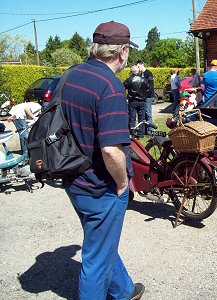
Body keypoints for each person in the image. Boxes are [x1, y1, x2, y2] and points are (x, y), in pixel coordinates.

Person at [59, 21, 145, 300]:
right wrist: (122, 183)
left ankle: (123, 290)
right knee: (95, 259)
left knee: (101, 243)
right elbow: (111, 150)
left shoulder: (72, 74)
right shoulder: (110, 86)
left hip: (73, 178)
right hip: (100, 187)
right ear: (122, 51)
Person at [123, 65, 150, 137]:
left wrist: (126, 96)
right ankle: (141, 134)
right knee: (142, 118)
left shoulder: (129, 80)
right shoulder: (144, 79)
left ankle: (132, 133)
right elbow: (148, 90)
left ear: (131, 71)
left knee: (132, 118)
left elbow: (122, 88)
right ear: (139, 71)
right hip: (142, 101)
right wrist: (144, 95)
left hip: (133, 101)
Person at [136, 60, 154, 134]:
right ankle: (145, 130)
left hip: (147, 96)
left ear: (142, 64)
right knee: (144, 114)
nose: (138, 68)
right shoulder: (141, 74)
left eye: (138, 66)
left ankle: (150, 131)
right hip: (142, 97)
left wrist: (146, 94)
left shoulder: (148, 73)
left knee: (148, 113)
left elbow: (150, 86)